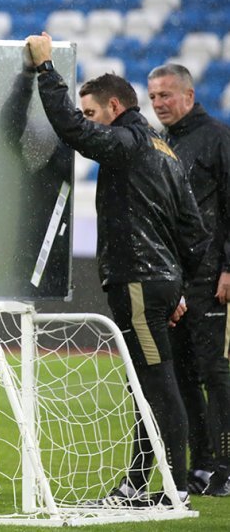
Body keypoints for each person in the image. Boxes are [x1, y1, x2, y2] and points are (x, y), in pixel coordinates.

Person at [26, 32, 209, 507]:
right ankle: (138, 483)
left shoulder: (127, 142)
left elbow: (75, 131)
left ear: (112, 107)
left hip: (138, 281)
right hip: (161, 281)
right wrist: (180, 286)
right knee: (144, 385)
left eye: (92, 112)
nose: (88, 121)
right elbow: (194, 230)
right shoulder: (163, 149)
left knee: (157, 383)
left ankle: (177, 489)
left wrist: (46, 72)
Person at [148, 63, 230, 497]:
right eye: (154, 96)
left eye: (166, 95)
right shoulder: (161, 143)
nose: (159, 103)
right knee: (181, 373)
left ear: (189, 96)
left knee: (216, 372)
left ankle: (226, 465)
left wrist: (228, 267)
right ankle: (200, 463)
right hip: (174, 279)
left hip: (211, 277)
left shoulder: (217, 138)